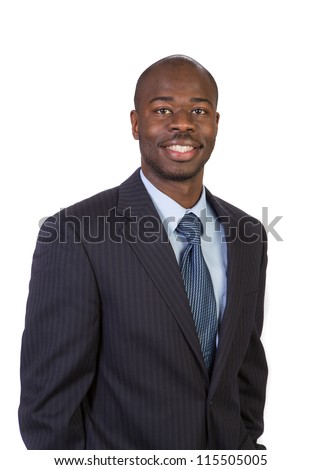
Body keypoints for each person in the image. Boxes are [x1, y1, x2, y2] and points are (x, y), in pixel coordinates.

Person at [19, 55, 268, 450]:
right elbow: (49, 409)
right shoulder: (75, 233)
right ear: (136, 124)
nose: (182, 123)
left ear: (215, 124)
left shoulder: (248, 235)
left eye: (198, 110)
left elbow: (246, 373)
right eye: (163, 109)